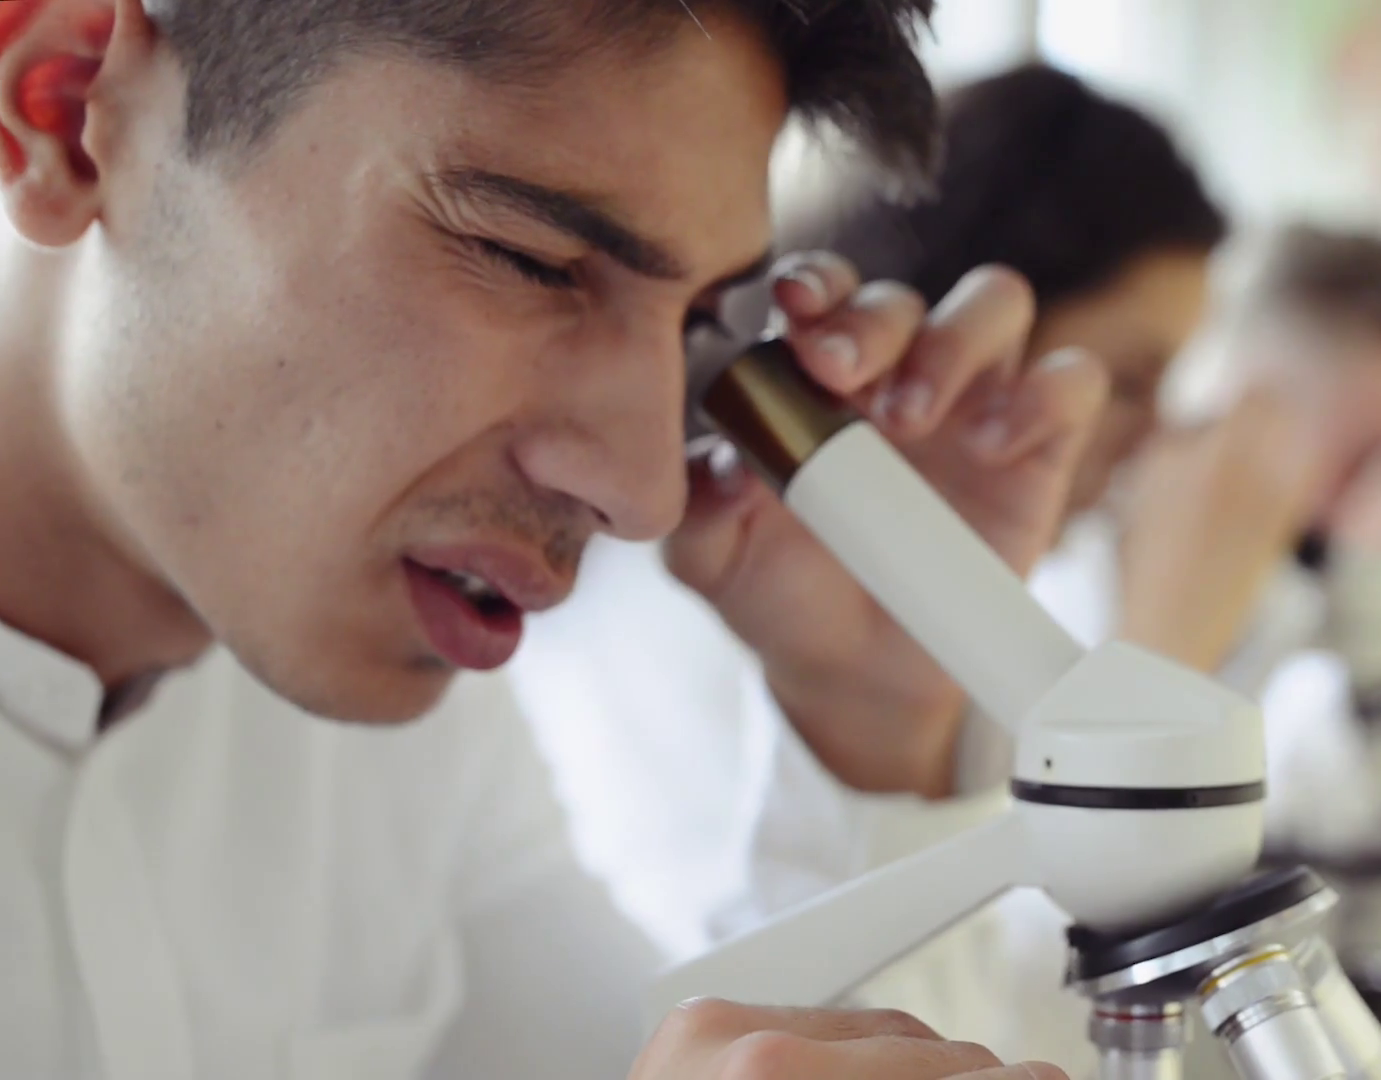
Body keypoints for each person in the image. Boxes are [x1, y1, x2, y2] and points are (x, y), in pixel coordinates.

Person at [0, 1, 1101, 1078]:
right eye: (528, 259)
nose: (645, 492)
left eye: (696, 327)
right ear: (65, 112)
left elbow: (673, 1054)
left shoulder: (408, 743)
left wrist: (868, 712)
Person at [508, 62, 1229, 1072]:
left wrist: (886, 715)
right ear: (966, 353)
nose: (1160, 442)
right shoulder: (660, 617)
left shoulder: (987, 611)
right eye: (1133, 380)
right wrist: (1167, 674)